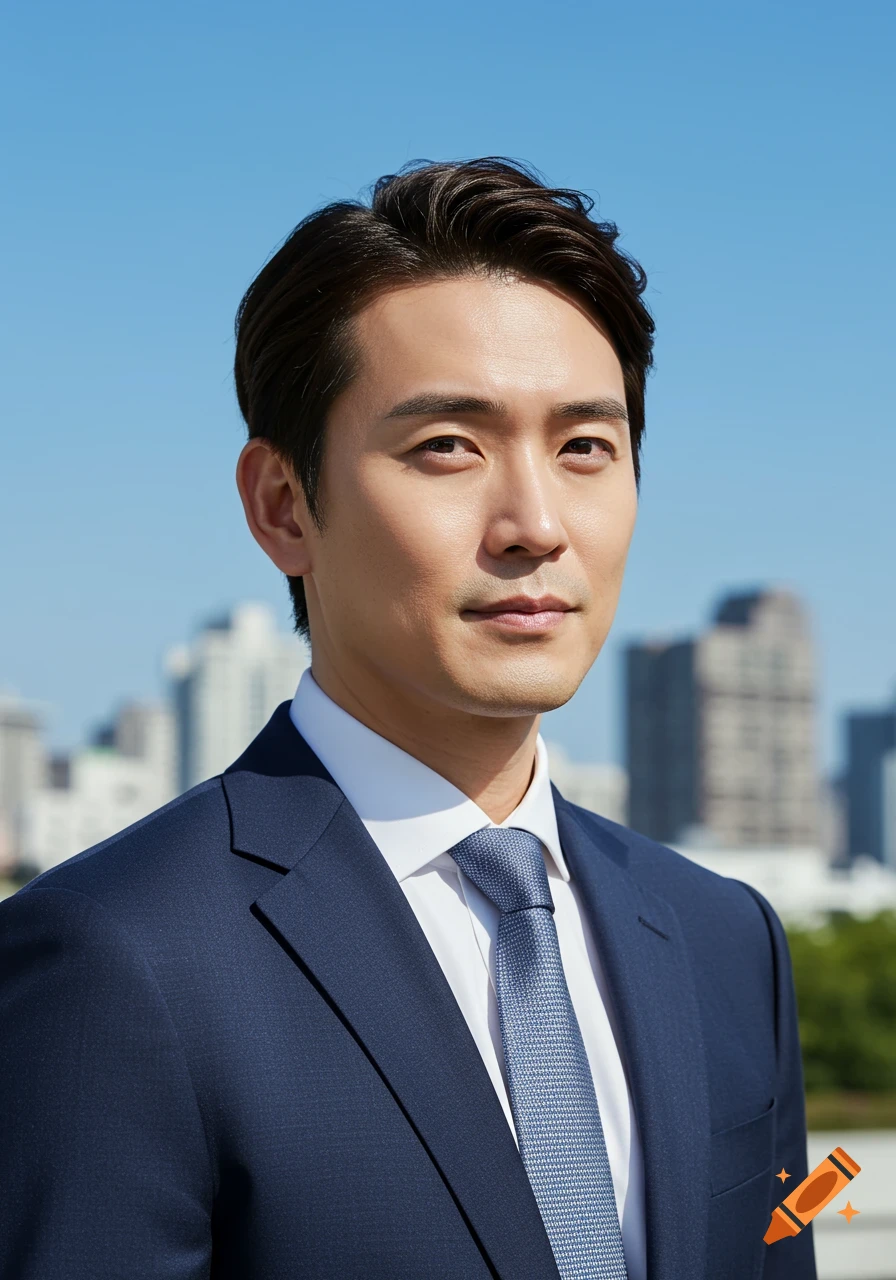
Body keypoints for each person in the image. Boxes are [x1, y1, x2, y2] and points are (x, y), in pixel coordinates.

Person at [0, 158, 815, 1280]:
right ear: (282, 506)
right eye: (447, 446)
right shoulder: (115, 958)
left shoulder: (723, 937)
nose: (534, 522)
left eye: (585, 445)